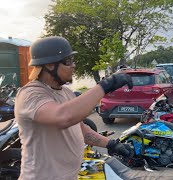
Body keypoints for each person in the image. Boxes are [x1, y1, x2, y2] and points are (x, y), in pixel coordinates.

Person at [14, 36, 133, 180]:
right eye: (68, 61)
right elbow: (62, 117)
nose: (73, 66)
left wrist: (111, 144)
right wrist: (107, 84)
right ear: (50, 65)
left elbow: (80, 129)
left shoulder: (66, 92)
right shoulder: (30, 94)